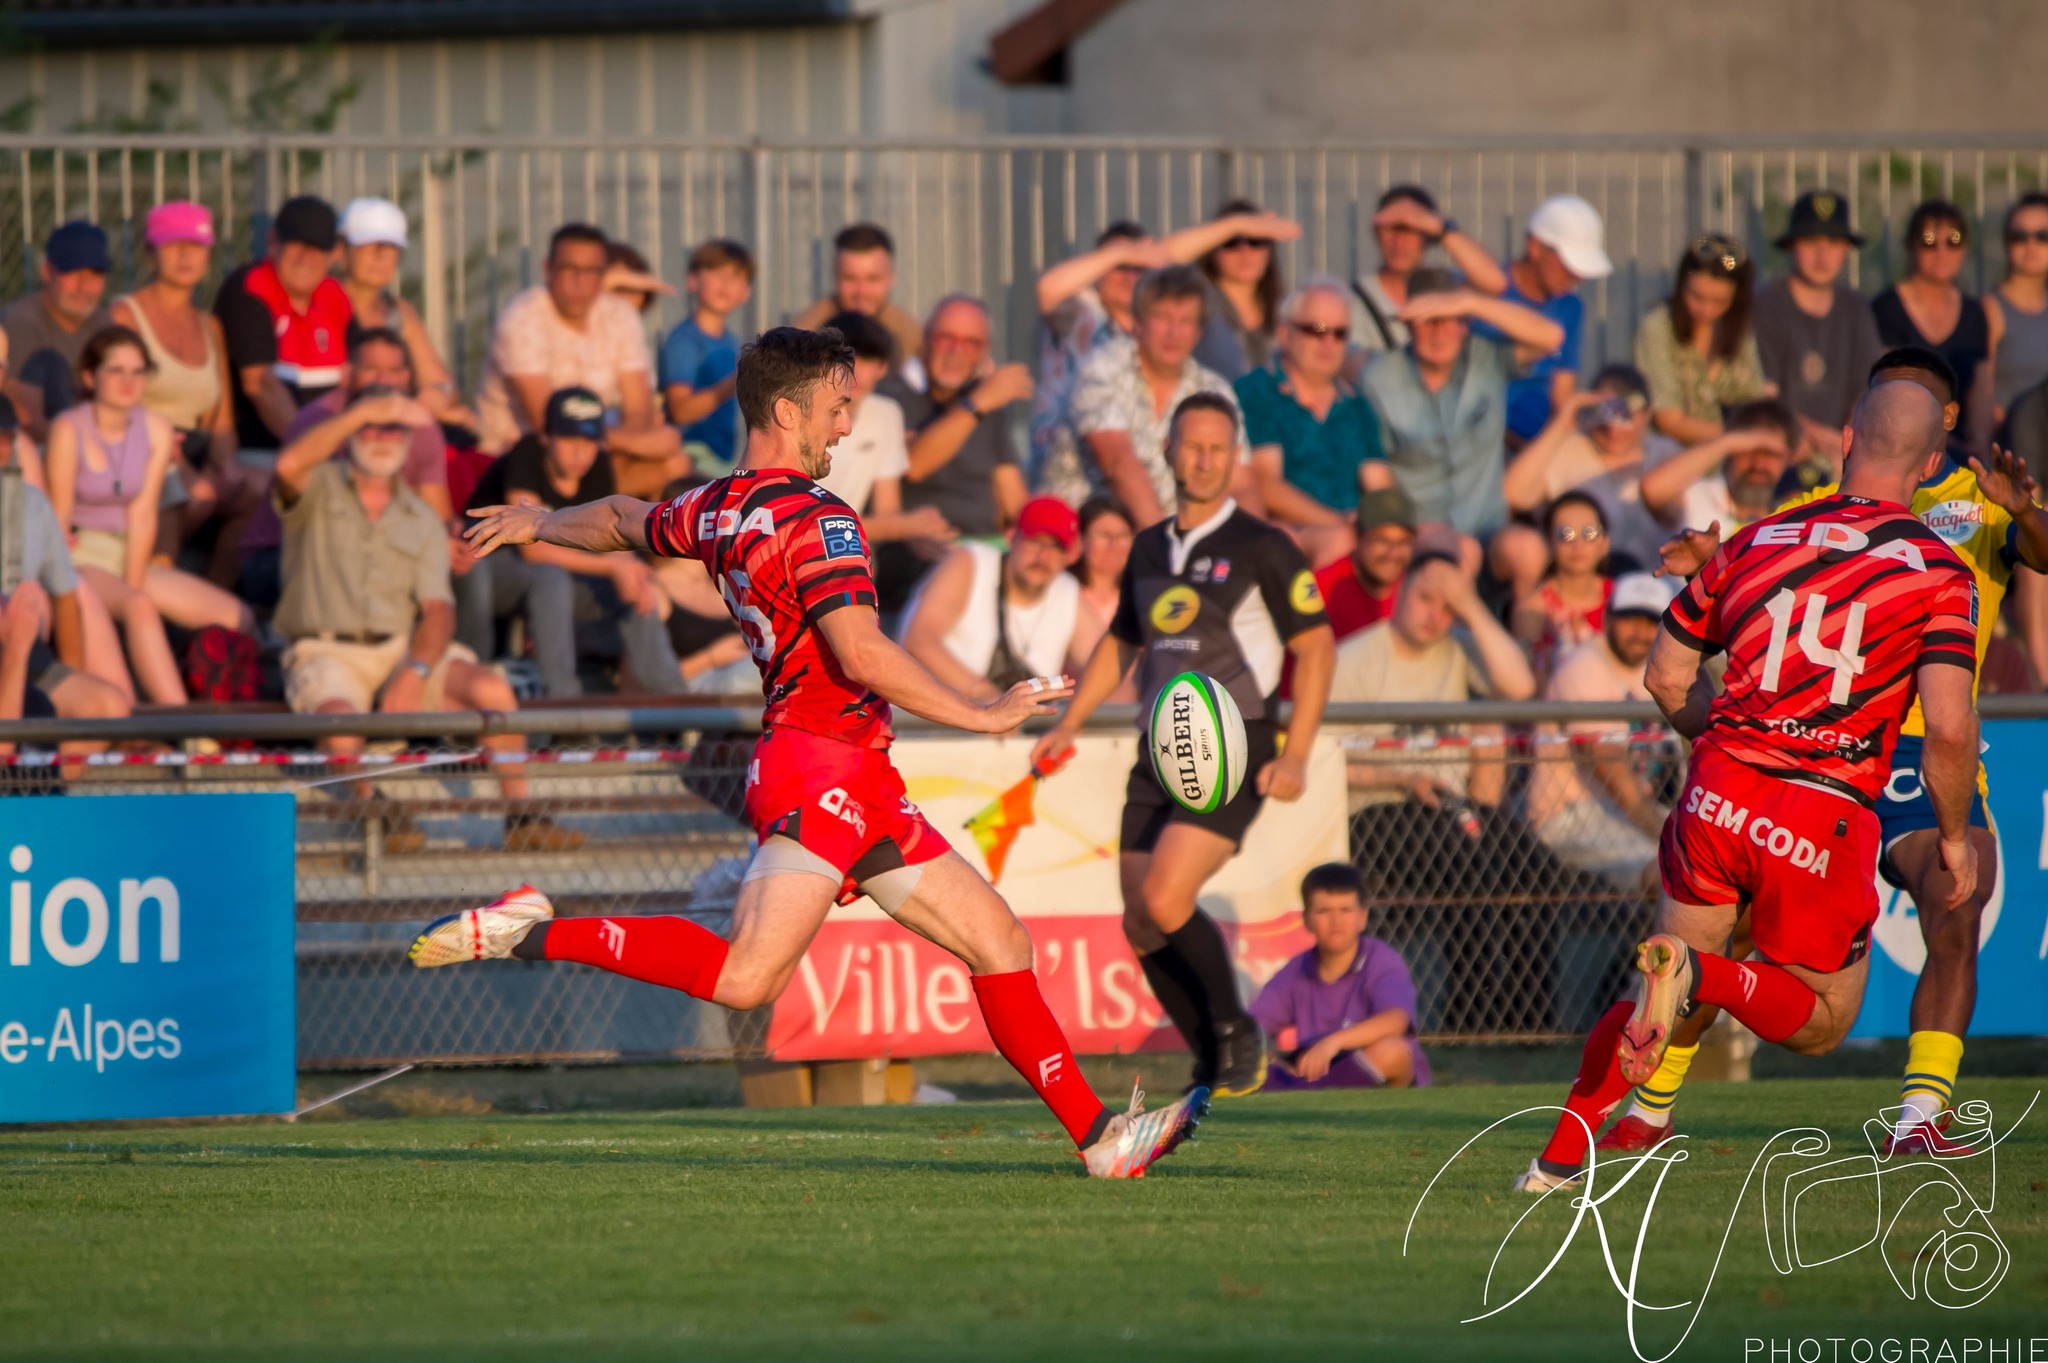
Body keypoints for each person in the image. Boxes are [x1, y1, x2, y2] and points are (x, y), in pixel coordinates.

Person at [437, 326, 1208, 1178]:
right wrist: (982, 714)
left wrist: (540, 520)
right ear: (785, 409)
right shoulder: (819, 518)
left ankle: (1103, 1140)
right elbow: (862, 653)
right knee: (746, 980)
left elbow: (623, 517)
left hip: (853, 769)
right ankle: (534, 930)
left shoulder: (719, 506)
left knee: (1000, 939)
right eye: (837, 409)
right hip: (820, 764)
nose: (845, 428)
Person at [1514, 381, 1982, 1194]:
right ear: (1932, 464)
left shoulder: (1758, 538)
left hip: (1717, 789)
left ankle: (1555, 1164)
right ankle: (1705, 978)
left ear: (1844, 439)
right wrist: (1950, 838)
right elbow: (1946, 728)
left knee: (1655, 995)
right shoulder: (1938, 572)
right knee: (1821, 1021)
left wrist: (1728, 750)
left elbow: (1665, 676)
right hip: (1821, 806)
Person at [1618, 350, 2048, 1160]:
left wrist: (2024, 514)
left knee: (1955, 905)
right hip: (1849, 751)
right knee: (1743, 944)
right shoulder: (1836, 511)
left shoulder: (1985, 503)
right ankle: (1652, 1103)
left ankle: (1920, 1114)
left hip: (1897, 749)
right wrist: (1716, 556)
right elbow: (1764, 574)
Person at [1033, 391, 1337, 1097]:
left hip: (1237, 742)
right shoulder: (1147, 546)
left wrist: (1294, 752)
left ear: (1233, 458)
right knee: (1139, 917)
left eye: (1216, 449)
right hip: (1161, 745)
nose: (1201, 461)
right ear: (1167, 451)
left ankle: (1236, 1029)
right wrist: (1069, 723)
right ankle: (1208, 1054)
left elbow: (1317, 649)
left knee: (1168, 896)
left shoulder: (1264, 545)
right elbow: (1121, 643)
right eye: (1190, 446)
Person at [272, 384, 578, 853]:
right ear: (351, 427)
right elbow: (286, 466)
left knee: (493, 691)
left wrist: (415, 669)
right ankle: (377, 810)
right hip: (326, 648)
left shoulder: (420, 515)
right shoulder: (318, 483)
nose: (381, 434)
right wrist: (367, 408)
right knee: (339, 720)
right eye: (369, 423)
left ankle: (522, 815)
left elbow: (438, 609)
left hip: (400, 646)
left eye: (392, 427)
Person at [45, 327, 255, 691]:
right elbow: (58, 515)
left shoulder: (156, 428)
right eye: (116, 370)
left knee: (239, 617)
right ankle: (179, 730)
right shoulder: (68, 428)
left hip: (128, 550)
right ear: (90, 376)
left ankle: (203, 699)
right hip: (80, 554)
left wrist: (133, 582)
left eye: (138, 371)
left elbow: (143, 516)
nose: (128, 381)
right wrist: (127, 597)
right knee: (139, 607)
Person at [1032, 210, 1301, 479]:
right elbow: (1048, 290)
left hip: (1149, 471)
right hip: (1072, 471)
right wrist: (1122, 252)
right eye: (1120, 266)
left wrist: (1235, 226)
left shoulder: (1276, 306)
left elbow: (1164, 259)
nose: (1130, 277)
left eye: (1139, 267)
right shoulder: (1083, 312)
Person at [458, 386, 683, 699]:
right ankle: (564, 706)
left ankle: (675, 706)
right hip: (486, 567)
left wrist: (628, 569)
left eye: (590, 442)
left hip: (553, 579)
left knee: (636, 586)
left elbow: (611, 540)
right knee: (553, 579)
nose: (581, 452)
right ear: (545, 437)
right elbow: (532, 551)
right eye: (569, 440)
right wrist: (612, 566)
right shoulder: (526, 454)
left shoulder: (597, 465)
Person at [1357, 268, 1567, 570]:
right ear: (1409, 325)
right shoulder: (1379, 378)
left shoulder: (1486, 357)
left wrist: (1472, 302)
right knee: (1461, 551)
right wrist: (1405, 526)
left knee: (1528, 549)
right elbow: (1377, 470)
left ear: (1464, 325)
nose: (1439, 333)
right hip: (1419, 531)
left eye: (1451, 320)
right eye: (1429, 321)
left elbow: (1552, 337)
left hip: (1489, 526)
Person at [239, 327, 459, 610]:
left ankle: (450, 652)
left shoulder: (420, 424)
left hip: (372, 551)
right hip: (284, 554)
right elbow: (326, 517)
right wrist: (364, 413)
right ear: (347, 374)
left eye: (393, 370)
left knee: (464, 566)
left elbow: (437, 514)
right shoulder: (318, 421)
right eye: (371, 369)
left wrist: (452, 542)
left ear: (407, 377)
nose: (383, 379)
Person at [109, 201, 256, 589]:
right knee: (182, 497)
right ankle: (160, 601)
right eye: (173, 245)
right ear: (150, 254)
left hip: (195, 446)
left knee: (256, 496)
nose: (186, 255)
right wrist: (187, 473)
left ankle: (216, 611)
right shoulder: (125, 315)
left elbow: (221, 420)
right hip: (139, 444)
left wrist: (226, 467)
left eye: (196, 245)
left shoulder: (210, 326)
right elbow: (121, 404)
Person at [474, 222, 682, 497]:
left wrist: (627, 442)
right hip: (524, 459)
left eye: (592, 271)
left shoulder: (620, 315)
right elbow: (550, 422)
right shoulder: (522, 319)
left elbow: (638, 410)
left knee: (674, 461)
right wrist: (641, 443)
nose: (580, 281)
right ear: (548, 269)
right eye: (570, 269)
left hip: (591, 452)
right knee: (669, 465)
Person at [1044, 265, 1248, 527]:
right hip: (1088, 533)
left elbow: (1242, 483)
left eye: (1185, 322)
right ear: (1137, 323)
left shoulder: (1215, 389)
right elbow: (1119, 464)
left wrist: (1250, 547)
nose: (1174, 333)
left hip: (1179, 535)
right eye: (1163, 318)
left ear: (1198, 333)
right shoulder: (1101, 368)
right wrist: (1166, 548)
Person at [1330, 554, 1537, 811]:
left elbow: (1521, 688)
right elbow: (1324, 762)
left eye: (1449, 607)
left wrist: (1469, 605)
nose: (1434, 615)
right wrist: (1404, 780)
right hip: (1379, 811)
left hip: (1453, 812)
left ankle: (1483, 834)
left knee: (1489, 726)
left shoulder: (1459, 646)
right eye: (1425, 598)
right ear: (1401, 589)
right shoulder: (1351, 659)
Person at [873, 296, 1030, 608]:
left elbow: (1014, 499)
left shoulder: (986, 406)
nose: (957, 351)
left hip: (986, 551)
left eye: (971, 342)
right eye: (947, 338)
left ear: (984, 352)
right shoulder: (892, 396)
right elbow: (915, 464)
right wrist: (979, 403)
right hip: (918, 558)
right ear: (925, 341)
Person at [1523, 572, 1676, 887]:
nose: (1640, 632)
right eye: (1629, 619)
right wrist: (1674, 839)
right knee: (1670, 871)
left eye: (1651, 622)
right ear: (1607, 620)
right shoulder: (1585, 667)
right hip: (1571, 816)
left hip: (1632, 812)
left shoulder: (1662, 669)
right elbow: (1614, 775)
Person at [1236, 276, 1391, 567]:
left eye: (1340, 333)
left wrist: (1384, 524)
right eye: (1317, 329)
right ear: (1285, 334)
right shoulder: (1256, 392)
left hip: (1353, 531)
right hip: (1290, 534)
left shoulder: (1357, 405)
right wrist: (1341, 523)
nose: (1328, 342)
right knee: (1338, 541)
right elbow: (1266, 487)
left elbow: (1380, 484)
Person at [0, 402, 129, 730]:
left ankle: (38, 779)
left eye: (7, 436)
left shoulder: (30, 502)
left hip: (26, 652)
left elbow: (65, 596)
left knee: (107, 709)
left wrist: (71, 670)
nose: (2, 446)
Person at [1250, 862, 1430, 1090]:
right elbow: (1254, 1026)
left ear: (1363, 916)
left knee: (1393, 1051)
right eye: (1324, 911)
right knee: (1245, 1062)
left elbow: (1396, 1020)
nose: (1336, 921)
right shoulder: (1297, 970)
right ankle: (1307, 1093)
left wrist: (1333, 1042)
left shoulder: (1381, 959)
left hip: (1368, 1069)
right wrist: (1274, 1061)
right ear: (1306, 919)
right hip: (1317, 1070)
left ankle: (1307, 1096)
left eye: (1345, 910)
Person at [900, 496, 1081, 702]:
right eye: (1035, 541)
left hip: (1019, 728)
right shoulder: (969, 562)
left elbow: (1104, 663)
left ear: (1071, 554)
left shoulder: (1068, 589)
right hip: (935, 725)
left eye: (1056, 547)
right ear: (1011, 536)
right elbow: (918, 641)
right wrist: (988, 697)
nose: (1043, 557)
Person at [1502, 364, 1673, 573]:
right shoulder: (1570, 448)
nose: (1613, 427)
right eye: (1605, 412)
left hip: (1650, 585)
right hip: (1581, 580)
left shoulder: (1665, 452)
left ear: (1647, 414)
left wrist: (1724, 441)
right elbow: (1514, 494)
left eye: (1625, 415)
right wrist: (1564, 419)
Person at [213, 195, 351, 452]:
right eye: (296, 243)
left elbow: (355, 377)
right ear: (273, 242)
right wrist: (317, 452)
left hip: (326, 448)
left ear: (334, 253)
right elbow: (260, 385)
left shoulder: (335, 296)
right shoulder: (251, 288)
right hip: (260, 453)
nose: (305, 258)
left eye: (317, 248)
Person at [1752, 189, 1882, 458]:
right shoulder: (1765, 306)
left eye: (1834, 242)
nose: (1822, 253)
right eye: (1811, 240)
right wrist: (1822, 438)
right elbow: (1765, 398)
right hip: (1779, 447)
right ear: (1791, 245)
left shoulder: (1856, 308)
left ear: (1847, 249)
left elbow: (1865, 392)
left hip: (1843, 449)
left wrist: (1846, 445)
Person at [815, 311, 955, 547]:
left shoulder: (886, 413)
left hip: (846, 546)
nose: (855, 372)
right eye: (846, 360)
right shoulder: (801, 415)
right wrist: (909, 525)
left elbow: (887, 514)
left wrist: (917, 533)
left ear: (882, 368)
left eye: (867, 361)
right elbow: (801, 522)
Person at [335, 197, 476, 430]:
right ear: (341, 251)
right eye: (367, 245)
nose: (380, 256)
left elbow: (443, 385)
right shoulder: (321, 304)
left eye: (390, 247)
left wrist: (438, 398)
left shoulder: (399, 312)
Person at [1484, 194, 1612, 443]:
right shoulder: (1486, 295)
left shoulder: (1571, 308)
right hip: (1483, 446)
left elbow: (1561, 397)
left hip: (1539, 447)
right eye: (1568, 264)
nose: (1578, 277)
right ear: (1535, 247)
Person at [1873, 200, 1991, 454]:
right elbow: (1884, 388)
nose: (1941, 251)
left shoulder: (1974, 313)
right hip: (1900, 445)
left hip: (1961, 449)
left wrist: (1978, 447)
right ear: (1910, 246)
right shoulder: (1886, 308)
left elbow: (1981, 396)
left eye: (1953, 240)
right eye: (1928, 241)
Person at [1634, 233, 1771, 446]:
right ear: (1681, 286)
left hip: (1732, 461)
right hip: (1671, 459)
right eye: (1696, 296)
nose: (1706, 310)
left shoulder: (1739, 330)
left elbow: (1755, 399)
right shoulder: (1658, 325)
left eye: (1719, 301)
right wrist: (1744, 437)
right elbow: (1668, 421)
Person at [1345, 184, 1506, 355]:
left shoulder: (1448, 287)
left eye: (1410, 229)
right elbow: (1320, 326)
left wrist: (1441, 228)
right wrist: (1320, 329)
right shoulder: (1349, 300)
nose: (1399, 242)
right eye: (1392, 229)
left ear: (1428, 235)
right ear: (1377, 233)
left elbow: (1494, 283)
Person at [2, 221, 114, 441]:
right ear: (46, 271)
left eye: (95, 275)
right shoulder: (19, 323)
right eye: (73, 274)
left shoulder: (104, 325)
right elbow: (26, 419)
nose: (84, 286)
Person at [1639, 397, 1798, 538]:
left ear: (1788, 459)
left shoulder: (1790, 517)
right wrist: (1727, 441)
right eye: (1748, 450)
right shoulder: (1698, 496)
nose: (1758, 464)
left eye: (1770, 454)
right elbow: (1653, 490)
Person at [660, 238, 753, 474]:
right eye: (715, 272)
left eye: (735, 276)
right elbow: (680, 411)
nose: (725, 283)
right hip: (691, 456)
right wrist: (739, 379)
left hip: (722, 459)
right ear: (692, 280)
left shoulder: (732, 342)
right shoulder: (684, 339)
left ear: (746, 292)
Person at [1511, 491, 1614, 682]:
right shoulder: (1532, 609)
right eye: (1564, 534)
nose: (1578, 545)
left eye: (1588, 533)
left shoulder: (1622, 599)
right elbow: (1525, 682)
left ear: (1605, 543)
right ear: (1549, 543)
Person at [791, 223, 925, 363]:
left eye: (873, 279)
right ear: (835, 277)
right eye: (850, 278)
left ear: (892, 279)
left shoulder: (912, 340)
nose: (861, 291)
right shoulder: (804, 336)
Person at [1313, 486, 1416, 643]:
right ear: (1357, 537)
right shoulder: (1324, 586)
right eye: (1382, 540)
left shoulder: (1414, 590)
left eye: (1403, 542)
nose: (1393, 553)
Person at [1199, 197, 1288, 372]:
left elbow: (1321, 326)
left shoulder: (1283, 306)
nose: (1244, 251)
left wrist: (1319, 327)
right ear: (1212, 249)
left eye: (1255, 241)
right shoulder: (1199, 300)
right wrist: (1234, 225)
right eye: (1231, 242)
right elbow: (1163, 258)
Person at [1987, 193, 2048, 423]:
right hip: (2009, 442)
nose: (2031, 245)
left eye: (2043, 236)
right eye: (2019, 236)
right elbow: (1983, 397)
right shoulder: (1990, 309)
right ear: (2006, 242)